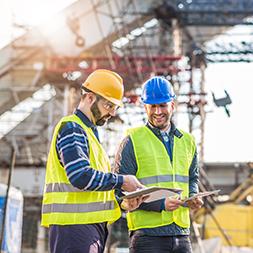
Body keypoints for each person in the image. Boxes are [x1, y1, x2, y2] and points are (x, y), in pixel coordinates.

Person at [41, 69, 144, 253]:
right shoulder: (72, 128)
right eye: (108, 105)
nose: (112, 113)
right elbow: (80, 176)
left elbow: (95, 188)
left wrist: (123, 203)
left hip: (88, 228)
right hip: (74, 229)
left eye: (114, 107)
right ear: (89, 97)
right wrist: (122, 181)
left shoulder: (89, 134)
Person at [114, 76, 203, 253]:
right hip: (147, 236)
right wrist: (160, 204)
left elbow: (192, 177)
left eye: (162, 105)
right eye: (152, 106)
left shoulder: (188, 141)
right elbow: (121, 193)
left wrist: (193, 196)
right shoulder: (132, 141)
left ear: (172, 105)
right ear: (145, 107)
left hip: (181, 233)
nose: (157, 111)